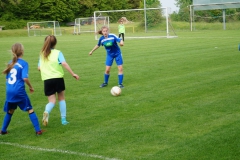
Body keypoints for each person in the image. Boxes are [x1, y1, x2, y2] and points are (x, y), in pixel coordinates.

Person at [0, 43, 43, 135]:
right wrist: (31, 87)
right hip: (19, 91)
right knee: (30, 109)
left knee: (10, 110)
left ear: (13, 52)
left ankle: (3, 130)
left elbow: (7, 79)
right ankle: (38, 130)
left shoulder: (10, 63)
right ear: (22, 52)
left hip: (9, 91)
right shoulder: (24, 63)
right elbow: (25, 78)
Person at [38, 35, 79, 126]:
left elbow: (39, 68)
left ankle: (46, 111)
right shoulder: (58, 53)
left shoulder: (42, 54)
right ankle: (63, 120)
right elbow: (64, 63)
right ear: (55, 43)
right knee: (61, 98)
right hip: (58, 78)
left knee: (52, 101)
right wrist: (73, 74)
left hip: (47, 80)